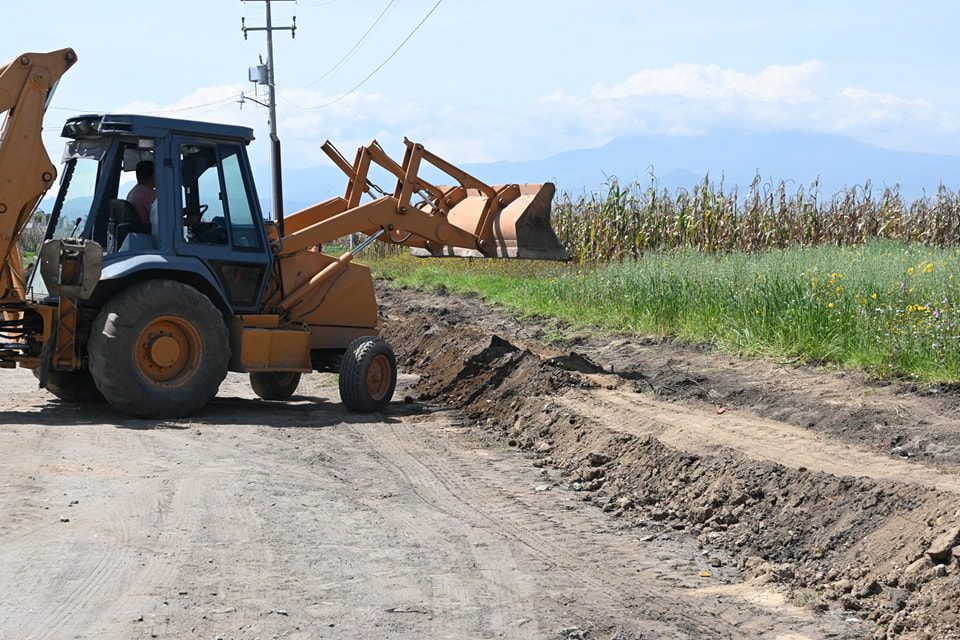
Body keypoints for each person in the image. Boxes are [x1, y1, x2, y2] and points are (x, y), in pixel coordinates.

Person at [126, 160, 156, 225]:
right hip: (149, 231)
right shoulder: (149, 192)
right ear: (153, 175)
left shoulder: (132, 192)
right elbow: (162, 215)